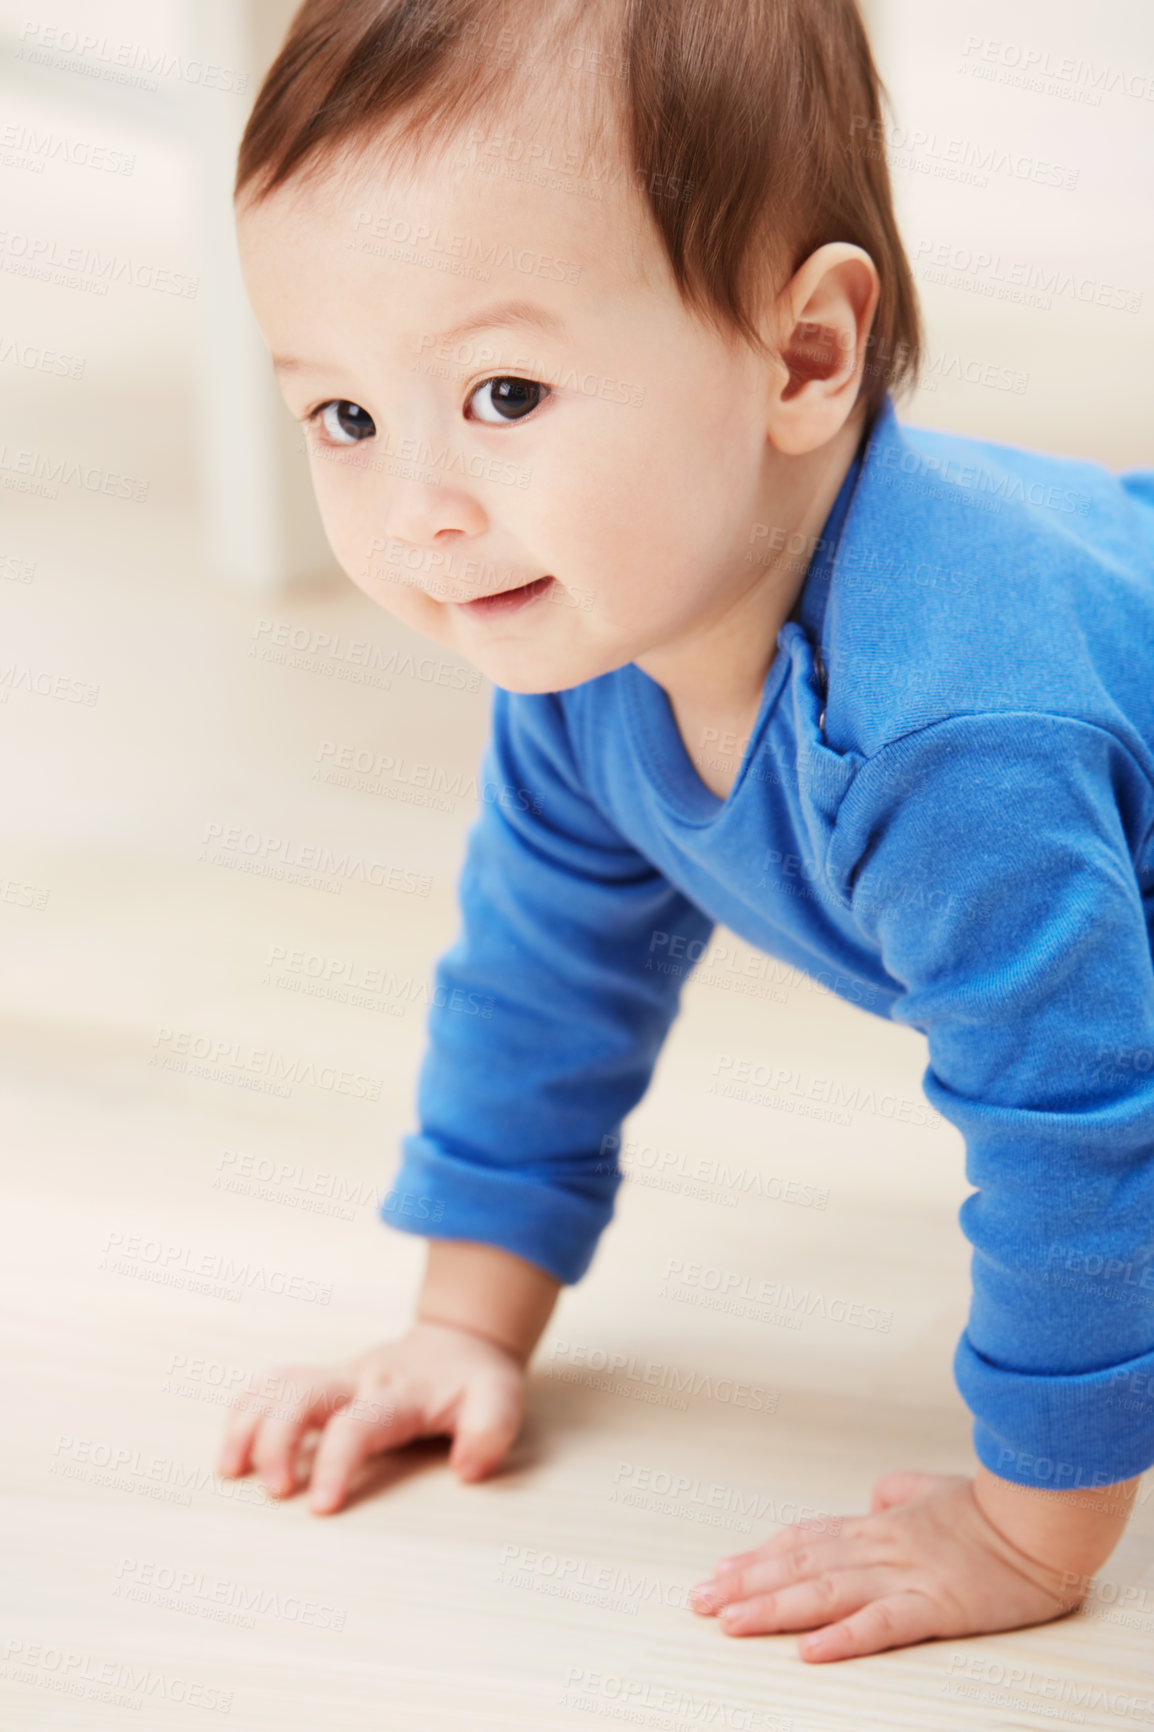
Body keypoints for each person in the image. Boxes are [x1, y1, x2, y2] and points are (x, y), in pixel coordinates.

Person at [217, 0, 1154, 1663]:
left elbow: (1080, 1130)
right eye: (345, 419)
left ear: (802, 356)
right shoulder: (591, 656)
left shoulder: (950, 743)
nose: (417, 510)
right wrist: (466, 1325)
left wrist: (1028, 1534)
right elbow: (544, 979)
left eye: (503, 392)